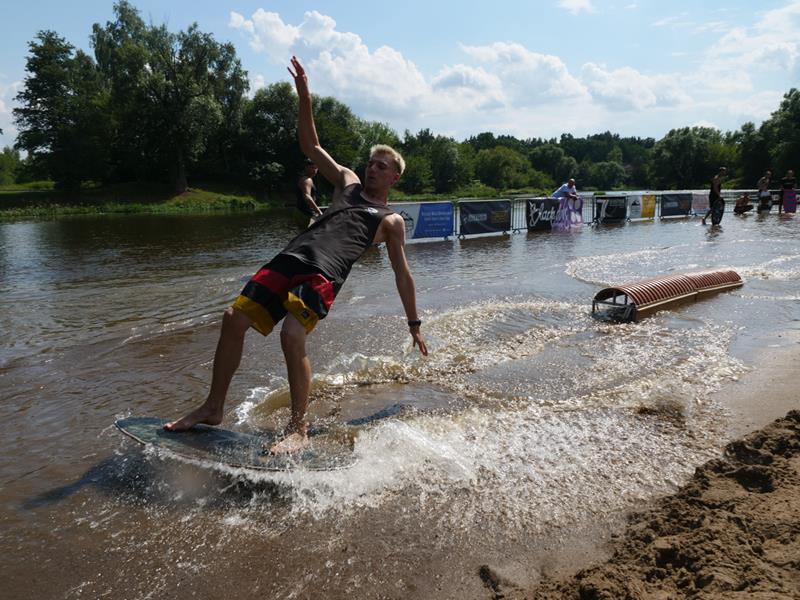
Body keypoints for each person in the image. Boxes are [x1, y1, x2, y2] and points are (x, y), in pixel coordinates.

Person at [165, 56, 428, 454]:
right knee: (233, 319)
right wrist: (304, 96)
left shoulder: (390, 221)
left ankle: (298, 428)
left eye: (382, 166)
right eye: (371, 163)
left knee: (291, 334)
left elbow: (402, 274)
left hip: (323, 274)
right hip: (290, 257)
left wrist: (414, 323)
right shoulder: (347, 184)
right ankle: (213, 407)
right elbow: (311, 146)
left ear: (395, 176)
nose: (372, 169)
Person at [295, 158, 323, 223]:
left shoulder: (303, 178)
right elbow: (307, 197)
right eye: (312, 167)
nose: (315, 170)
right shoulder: (307, 180)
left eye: (316, 168)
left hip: (300, 211)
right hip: (306, 213)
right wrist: (319, 211)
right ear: (306, 167)